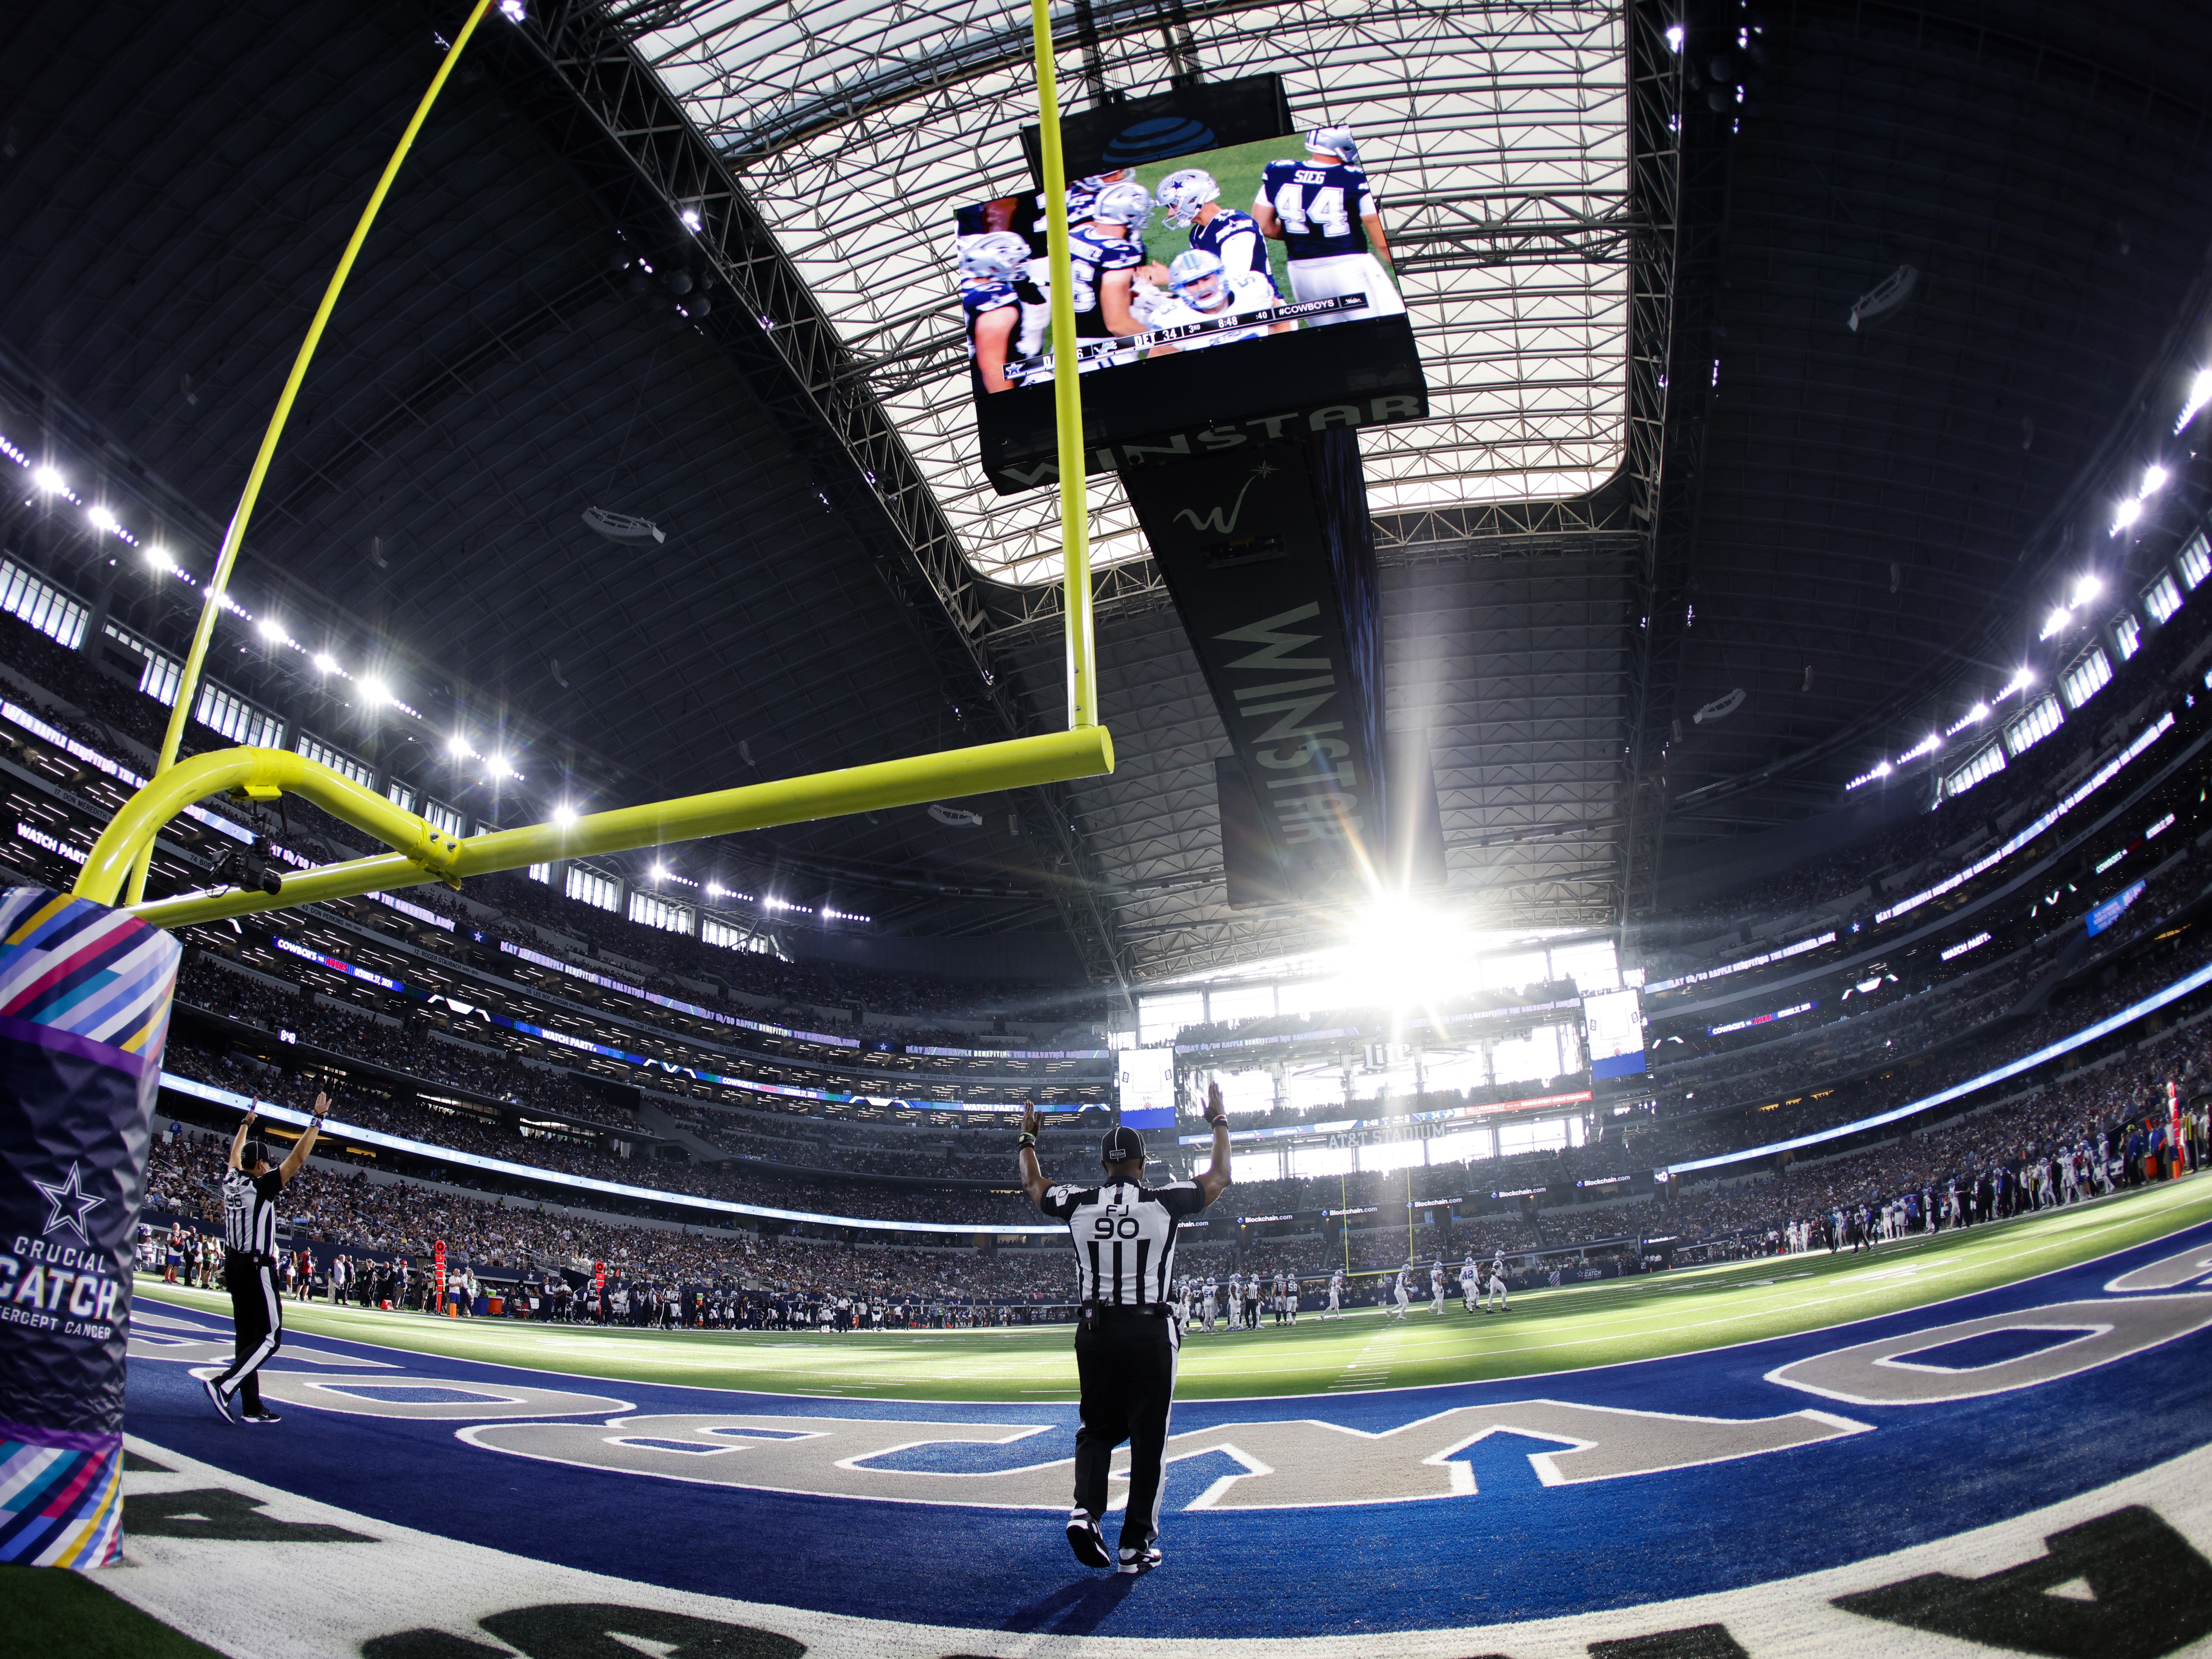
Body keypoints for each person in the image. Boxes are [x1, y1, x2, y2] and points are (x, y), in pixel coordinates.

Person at [1021, 1083, 1231, 1576]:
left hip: (1094, 1331)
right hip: (1148, 1330)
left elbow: (1035, 1186)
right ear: (1143, 1164)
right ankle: (1134, 1544)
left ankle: (1085, 1510)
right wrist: (1218, 1120)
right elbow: (1219, 1175)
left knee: (1095, 1427)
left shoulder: (1077, 1202)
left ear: (1103, 1166)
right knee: (1148, 1438)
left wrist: (1026, 1141)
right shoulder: (1163, 1201)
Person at [204, 1093, 329, 1425]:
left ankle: (251, 1405)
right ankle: (224, 1386)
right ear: (260, 1166)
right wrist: (317, 1119)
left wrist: (245, 1124)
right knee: (271, 1337)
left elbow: (234, 1154)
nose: (270, 1166)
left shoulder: (231, 1179)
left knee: (246, 1336)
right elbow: (299, 1157)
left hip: (233, 1265)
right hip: (257, 1266)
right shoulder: (261, 1186)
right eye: (267, 1163)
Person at [1252, 127, 1405, 327]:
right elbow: (1383, 243)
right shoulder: (1355, 178)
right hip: (1349, 267)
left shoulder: (1280, 172)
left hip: (1302, 273)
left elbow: (1263, 224)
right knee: (1383, 330)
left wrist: (1304, 234)